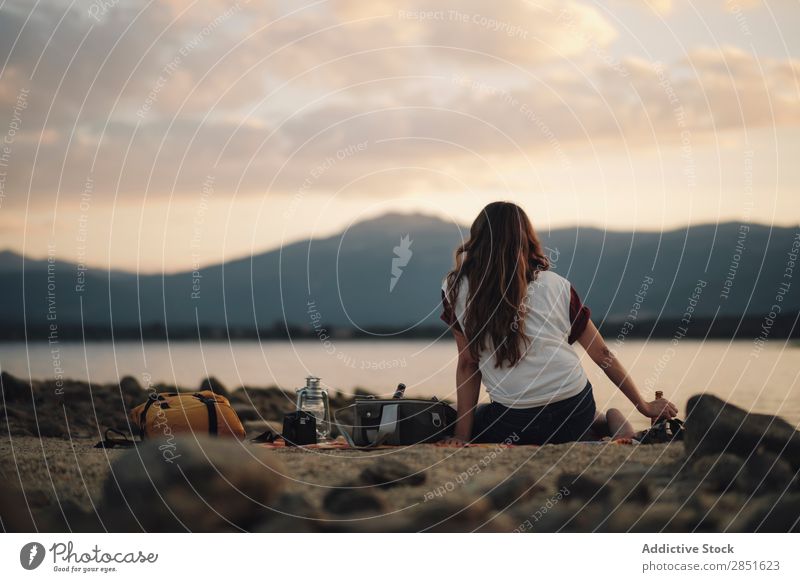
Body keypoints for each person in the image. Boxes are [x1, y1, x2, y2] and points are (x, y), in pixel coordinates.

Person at [437, 201, 677, 446]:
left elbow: (468, 363)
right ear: (527, 239)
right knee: (582, 420)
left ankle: (602, 423)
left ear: (478, 239)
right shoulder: (557, 285)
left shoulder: (455, 289)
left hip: (515, 423)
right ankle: (611, 425)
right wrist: (644, 406)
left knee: (462, 414)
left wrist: (460, 437)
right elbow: (602, 353)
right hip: (574, 410)